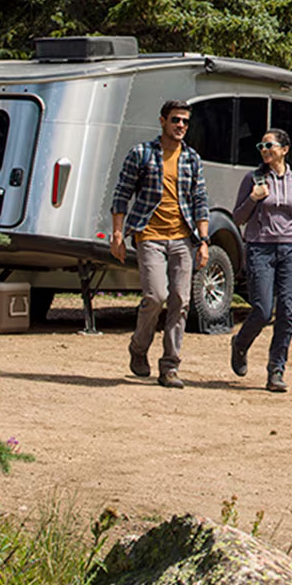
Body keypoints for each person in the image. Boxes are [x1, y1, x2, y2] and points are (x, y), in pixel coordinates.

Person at [109, 100, 210, 388]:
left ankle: (170, 367)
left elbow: (200, 202)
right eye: (176, 120)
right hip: (149, 235)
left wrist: (203, 241)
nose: (181, 126)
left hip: (182, 239)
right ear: (162, 121)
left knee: (181, 300)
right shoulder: (142, 154)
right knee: (155, 295)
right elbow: (121, 194)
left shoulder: (192, 159)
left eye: (185, 122)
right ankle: (138, 348)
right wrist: (117, 234)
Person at [230, 128, 292, 393]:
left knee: (288, 312)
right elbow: (238, 219)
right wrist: (253, 199)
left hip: (291, 250)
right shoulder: (252, 178)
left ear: (284, 150)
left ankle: (276, 370)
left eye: (270, 145)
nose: (265, 150)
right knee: (263, 311)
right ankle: (240, 344)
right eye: (262, 146)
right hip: (260, 249)